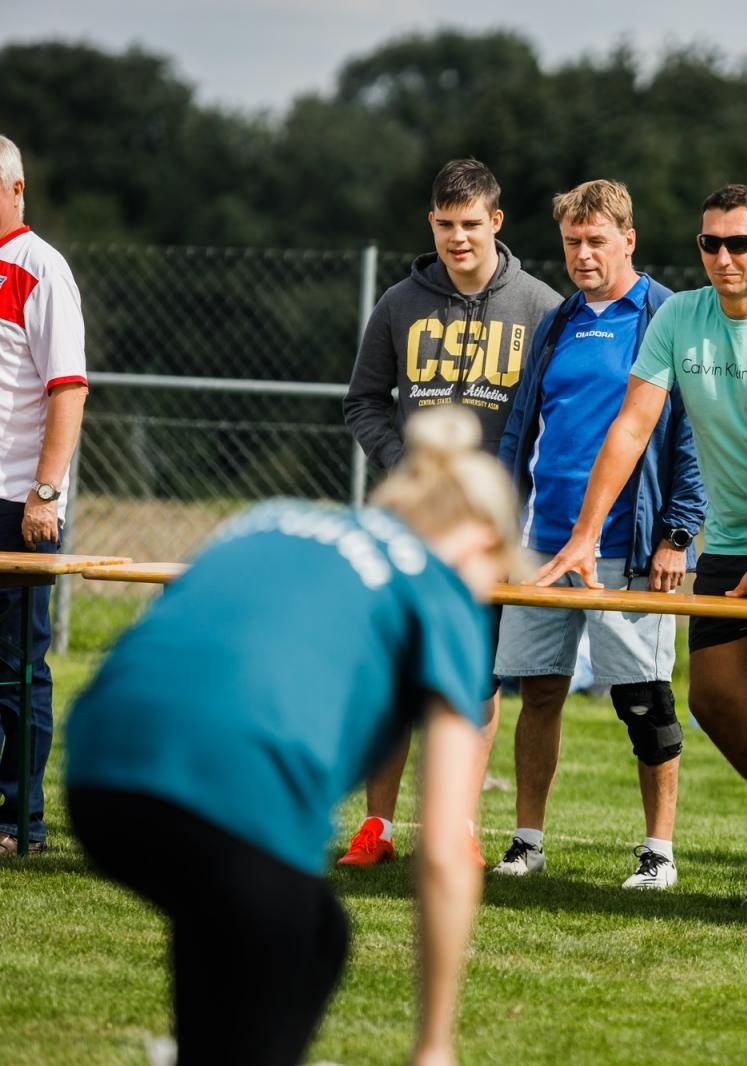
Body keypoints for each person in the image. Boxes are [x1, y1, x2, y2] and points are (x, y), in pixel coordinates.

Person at [65, 408, 521, 1066]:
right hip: (239, 784)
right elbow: (447, 847)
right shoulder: (440, 590)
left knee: (306, 929)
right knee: (291, 933)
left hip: (96, 770)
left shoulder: (274, 516)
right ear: (479, 542)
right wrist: (434, 1044)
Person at [537, 184, 747, 908]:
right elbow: (631, 427)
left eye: (740, 243)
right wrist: (585, 536)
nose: (723, 256)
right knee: (716, 701)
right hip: (730, 539)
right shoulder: (679, 317)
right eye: (710, 243)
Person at [340, 158, 561, 866]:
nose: (457, 238)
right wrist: (406, 462)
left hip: (491, 532)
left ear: (496, 221)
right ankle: (376, 827)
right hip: (411, 527)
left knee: (476, 681)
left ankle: (456, 824)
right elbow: (362, 400)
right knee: (396, 675)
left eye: (470, 224)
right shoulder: (401, 302)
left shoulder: (540, 306)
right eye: (444, 225)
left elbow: (558, 417)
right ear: (430, 224)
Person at [490, 179, 705, 889]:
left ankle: (659, 853)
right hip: (543, 542)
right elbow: (525, 431)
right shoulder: (559, 321)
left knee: (644, 699)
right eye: (572, 243)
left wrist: (679, 531)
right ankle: (527, 842)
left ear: (628, 240)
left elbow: (694, 435)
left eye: (596, 241)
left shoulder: (668, 315)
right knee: (540, 692)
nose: (583, 255)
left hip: (632, 545)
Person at [0, 134, 88, 857]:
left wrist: (45, 492)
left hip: (14, 500)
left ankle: (18, 821)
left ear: (17, 190)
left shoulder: (41, 268)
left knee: (17, 669)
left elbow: (68, 389)